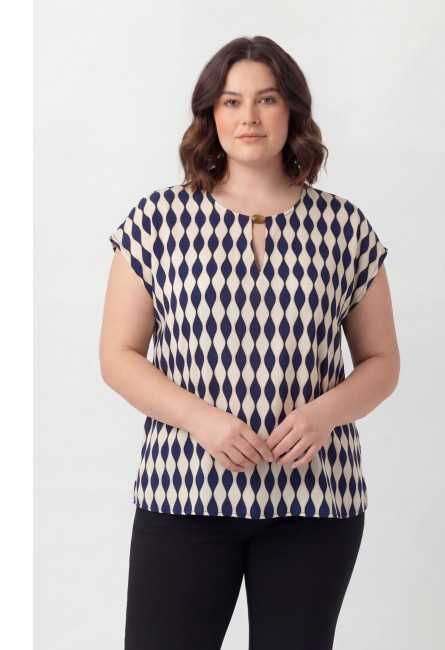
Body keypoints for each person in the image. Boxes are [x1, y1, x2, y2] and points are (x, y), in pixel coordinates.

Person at [99, 35, 400, 650]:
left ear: (292, 110)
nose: (250, 117)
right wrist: (201, 420)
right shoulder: (157, 222)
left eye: (267, 99)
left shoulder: (344, 228)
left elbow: (382, 362)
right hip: (184, 493)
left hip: (314, 503)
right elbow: (118, 356)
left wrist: (323, 415)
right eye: (232, 101)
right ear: (211, 113)